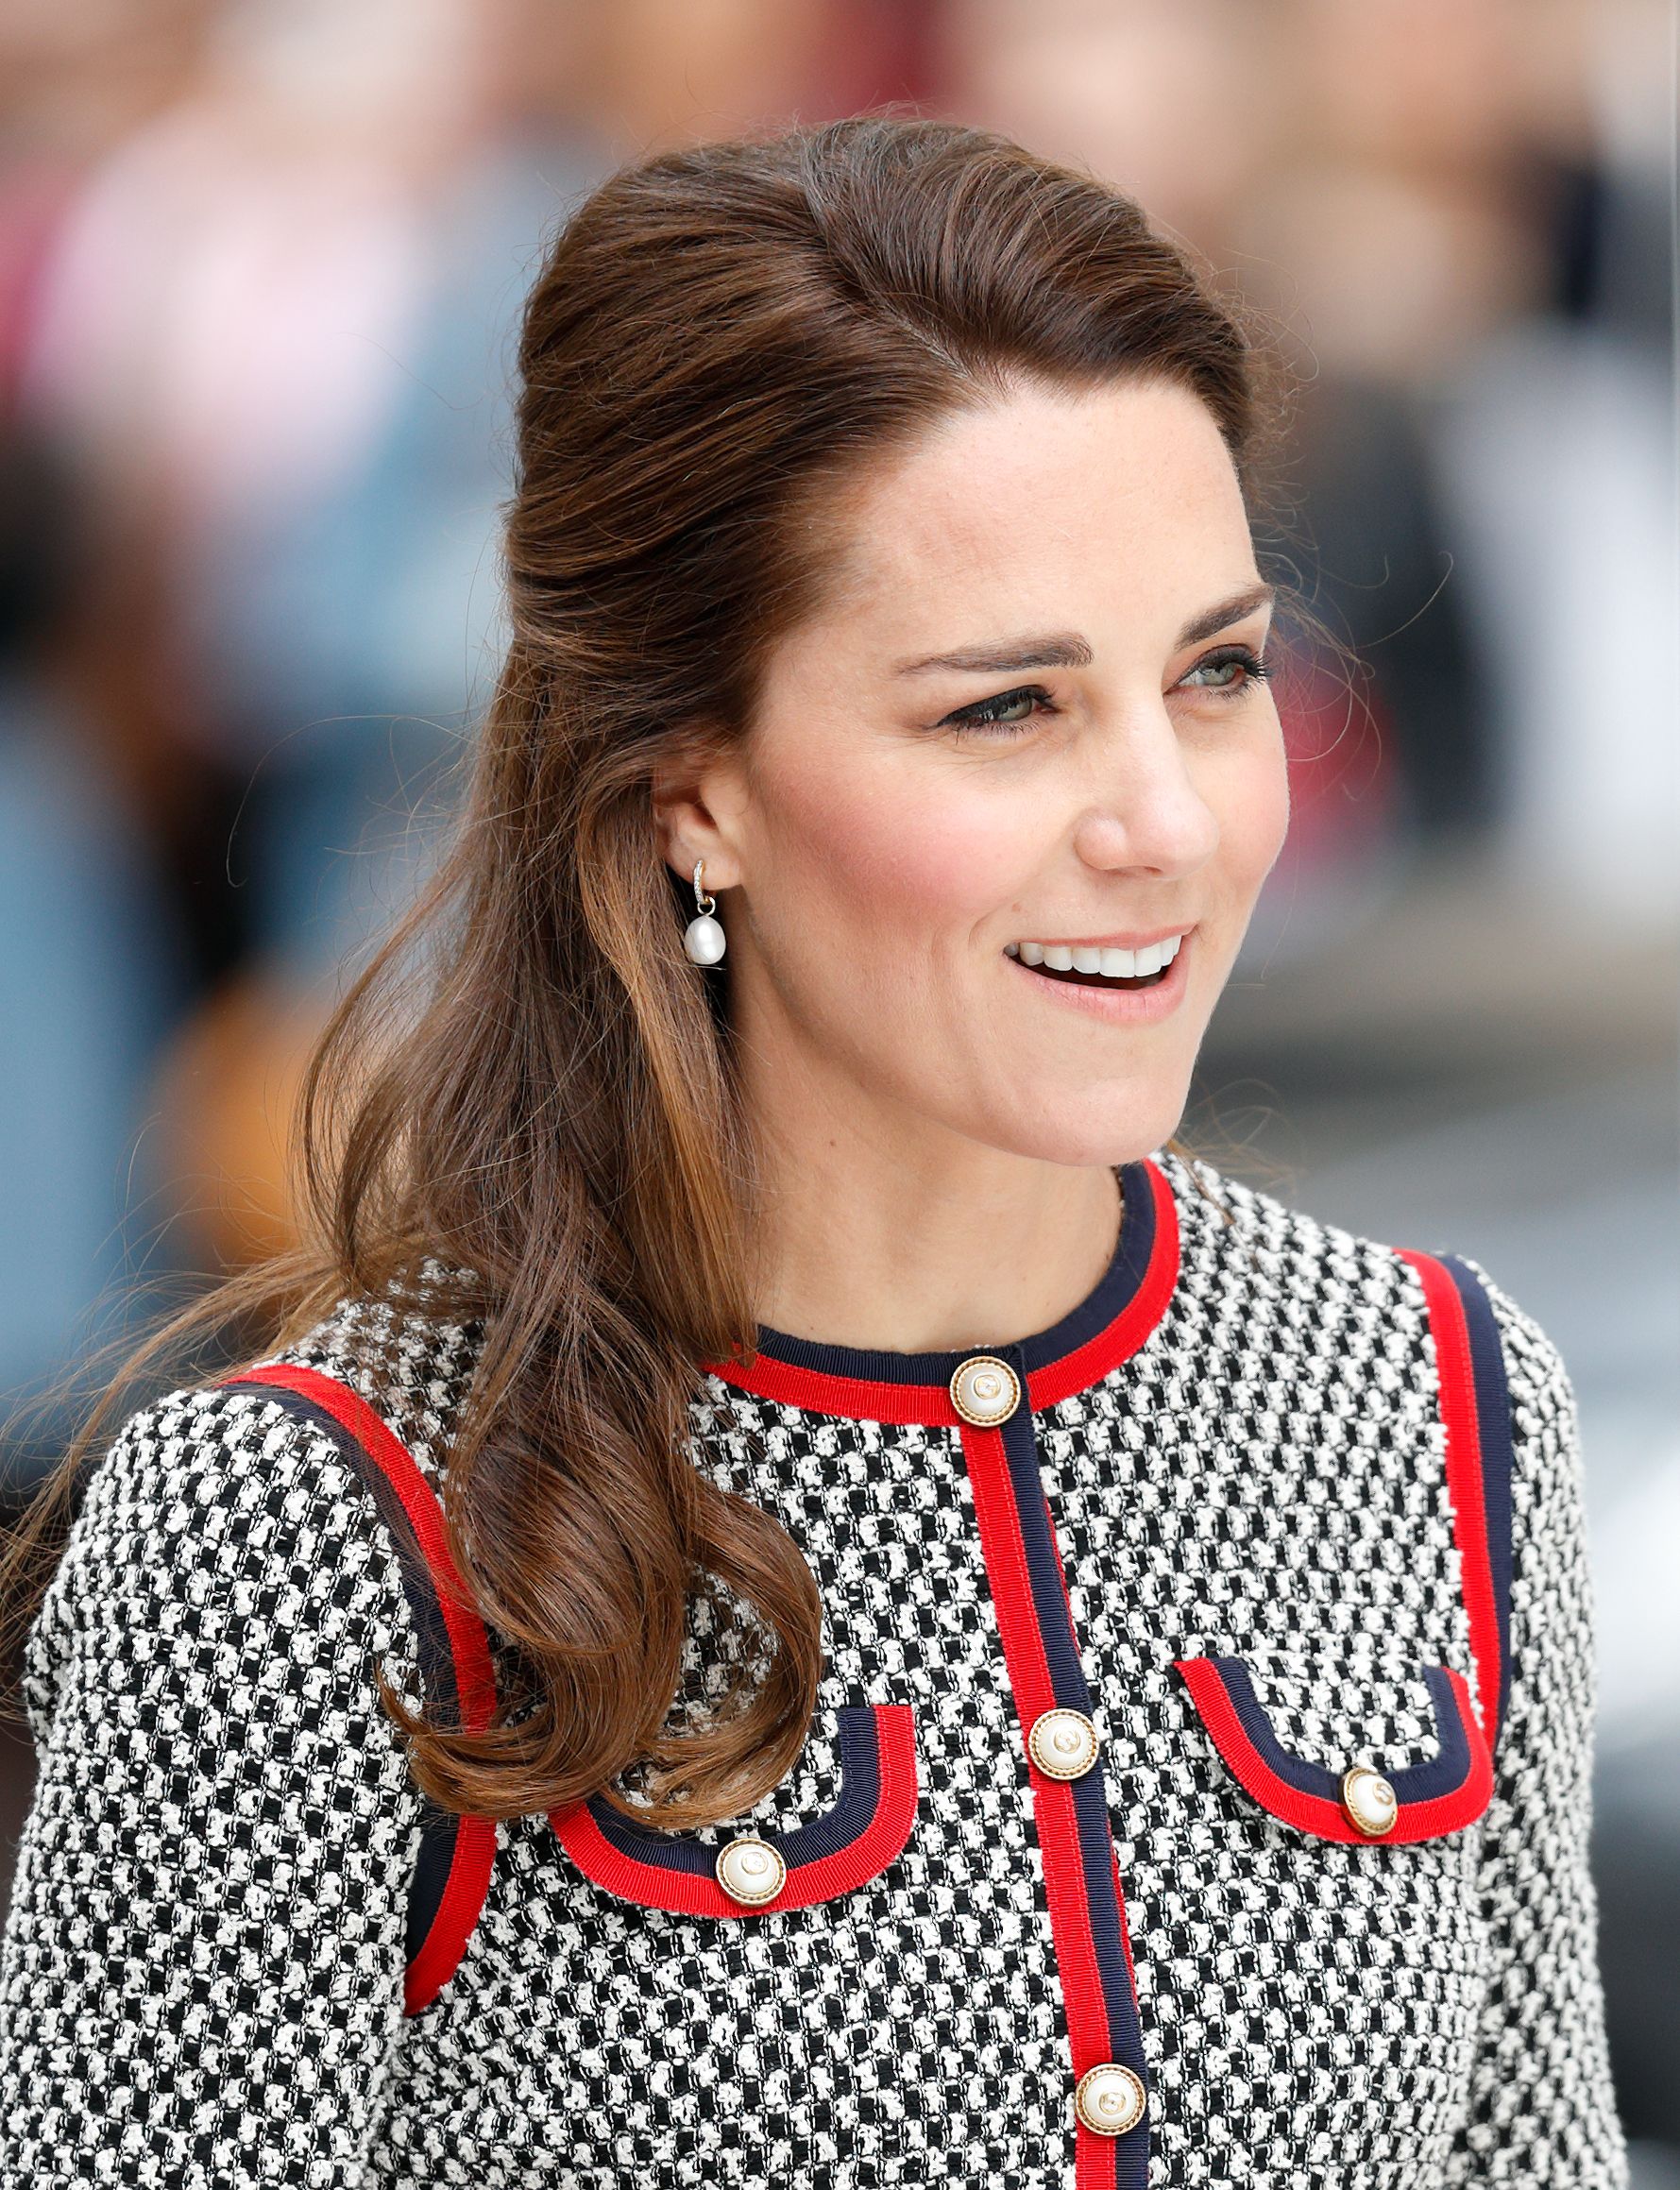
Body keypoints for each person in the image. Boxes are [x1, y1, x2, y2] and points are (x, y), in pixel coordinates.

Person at [0, 115, 1626, 2187]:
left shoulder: (1431, 1391)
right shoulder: (303, 1533)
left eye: (1212, 672)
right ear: (693, 787)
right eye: (1001, 710)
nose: (1166, 819)